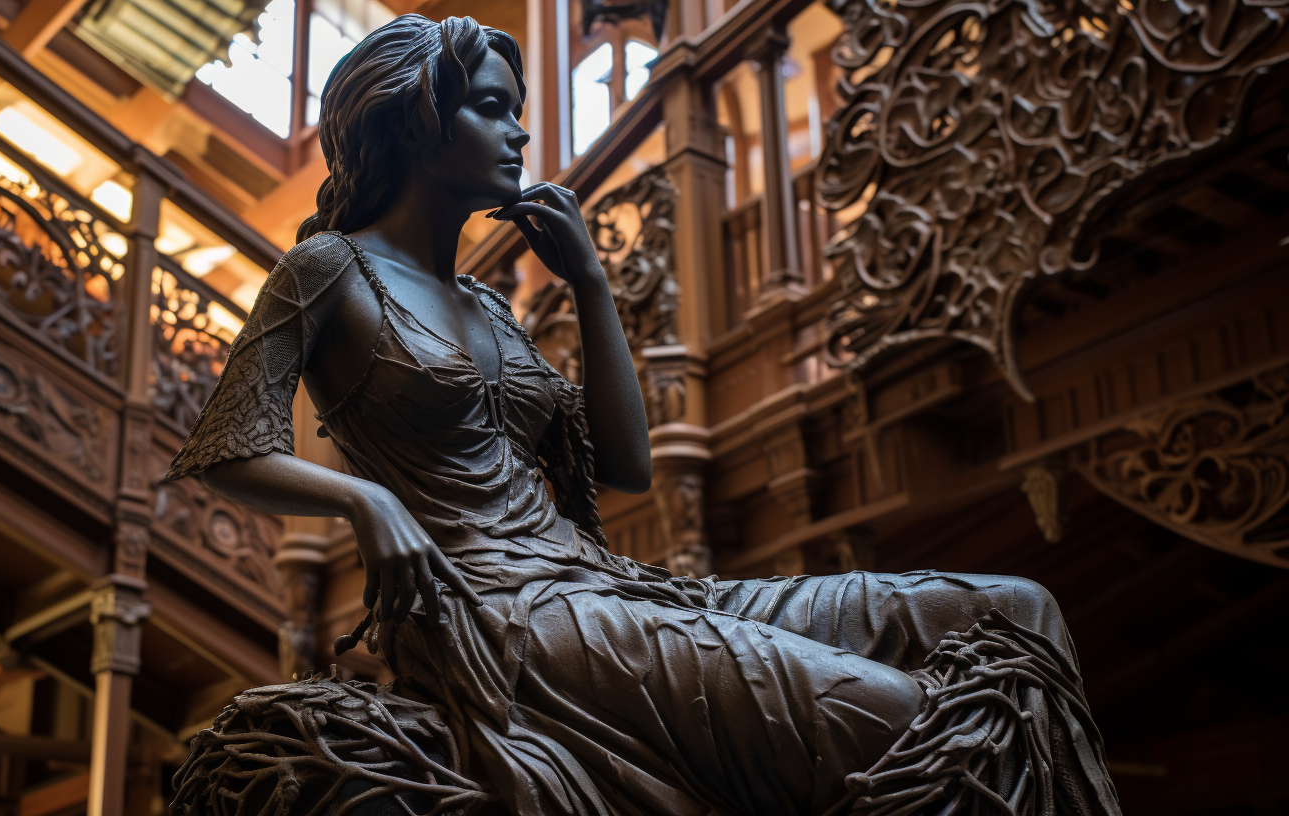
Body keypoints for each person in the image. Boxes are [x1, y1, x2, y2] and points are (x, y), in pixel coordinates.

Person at [165, 14, 1121, 816]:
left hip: (610, 585)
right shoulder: (329, 270)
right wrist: (368, 507)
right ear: (414, 121)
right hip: (501, 615)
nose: (517, 136)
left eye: (519, 115)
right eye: (491, 108)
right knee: (893, 710)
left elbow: (624, 469)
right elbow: (224, 448)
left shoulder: (491, 306)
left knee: (1017, 609)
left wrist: (589, 285)